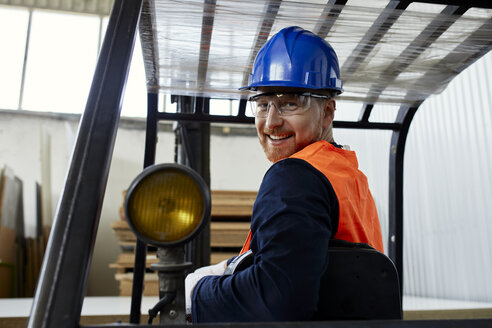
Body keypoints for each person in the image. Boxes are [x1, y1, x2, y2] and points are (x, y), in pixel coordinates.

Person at [185, 26, 383, 323]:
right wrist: (232, 267)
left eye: (289, 103)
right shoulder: (348, 176)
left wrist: (200, 291)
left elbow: (276, 302)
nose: (271, 122)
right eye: (263, 104)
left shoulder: (295, 177)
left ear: (328, 112)